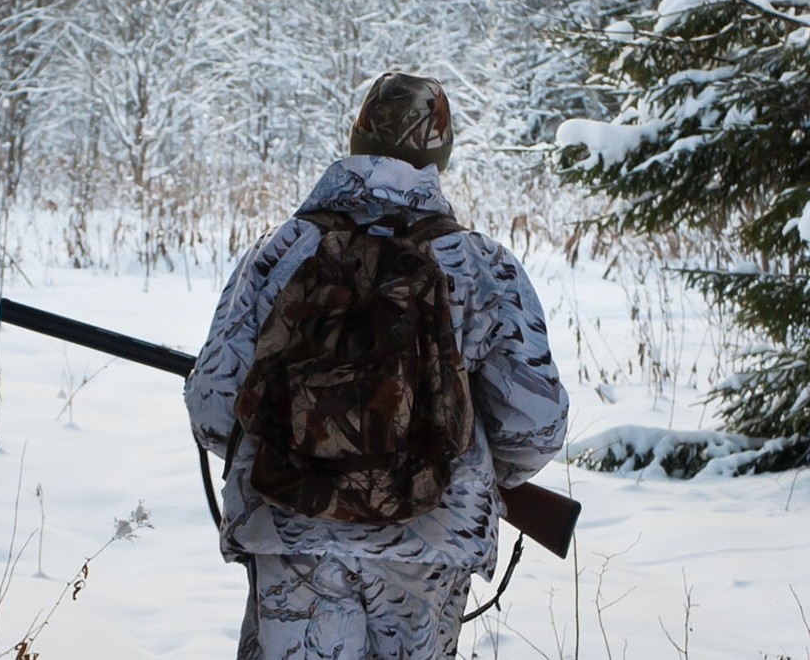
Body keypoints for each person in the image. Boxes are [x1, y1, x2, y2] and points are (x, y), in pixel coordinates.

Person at [183, 72, 570, 659]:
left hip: (292, 533)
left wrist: (297, 443)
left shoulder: (282, 251)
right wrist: (475, 471)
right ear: (441, 155)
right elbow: (536, 423)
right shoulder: (481, 264)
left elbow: (213, 409)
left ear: (355, 138)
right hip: (434, 539)